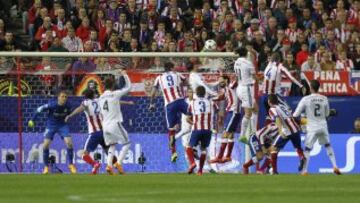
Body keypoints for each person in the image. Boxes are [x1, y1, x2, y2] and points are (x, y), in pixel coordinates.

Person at [65, 89, 134, 174]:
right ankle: (116, 166)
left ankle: (95, 164)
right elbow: (115, 102)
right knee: (108, 151)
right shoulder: (99, 100)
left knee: (84, 154)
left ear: (85, 96)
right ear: (93, 95)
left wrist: (70, 115)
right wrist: (128, 103)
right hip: (104, 132)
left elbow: (80, 108)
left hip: (94, 133)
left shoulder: (86, 102)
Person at [293, 80, 341, 175]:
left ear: (310, 88)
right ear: (319, 88)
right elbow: (327, 114)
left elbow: (295, 115)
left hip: (311, 127)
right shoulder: (324, 98)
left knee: (307, 149)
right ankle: (335, 166)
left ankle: (305, 171)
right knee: (327, 146)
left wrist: (302, 121)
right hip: (323, 126)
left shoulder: (305, 99)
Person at [28, 90, 76, 174]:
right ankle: (46, 167)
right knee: (46, 145)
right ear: (58, 97)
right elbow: (39, 109)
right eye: (62, 96)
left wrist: (68, 117)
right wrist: (32, 119)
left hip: (62, 126)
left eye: (65, 97)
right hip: (51, 125)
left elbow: (69, 113)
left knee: (69, 143)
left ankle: (71, 165)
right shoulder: (52, 105)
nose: (64, 98)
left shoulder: (68, 106)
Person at [149, 61, 188, 162]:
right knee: (196, 117)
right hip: (180, 101)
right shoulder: (177, 74)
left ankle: (173, 152)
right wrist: (184, 89)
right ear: (171, 68)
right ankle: (196, 143)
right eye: (174, 67)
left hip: (169, 105)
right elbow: (186, 82)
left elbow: (153, 92)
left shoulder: (159, 77)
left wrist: (152, 103)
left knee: (171, 130)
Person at [98, 70, 132, 174]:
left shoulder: (100, 97)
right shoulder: (115, 94)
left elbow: (100, 114)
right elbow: (129, 87)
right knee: (127, 143)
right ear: (113, 86)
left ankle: (109, 166)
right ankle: (118, 163)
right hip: (114, 123)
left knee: (112, 145)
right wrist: (125, 75)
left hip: (105, 126)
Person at [267, 94, 305, 175]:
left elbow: (277, 118)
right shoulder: (282, 106)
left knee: (273, 148)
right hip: (296, 129)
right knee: (298, 147)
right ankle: (301, 157)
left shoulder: (272, 109)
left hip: (286, 130)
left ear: (269, 101)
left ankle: (274, 171)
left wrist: (280, 131)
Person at [186, 86, 218, 176]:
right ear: (205, 93)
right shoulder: (212, 102)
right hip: (208, 129)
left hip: (197, 128)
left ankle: (192, 163)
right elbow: (217, 111)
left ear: (196, 93)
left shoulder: (192, 103)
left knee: (188, 146)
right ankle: (200, 171)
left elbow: (188, 119)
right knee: (203, 149)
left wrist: (194, 123)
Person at [210, 75, 240, 163]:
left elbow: (237, 80)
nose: (220, 83)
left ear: (226, 80)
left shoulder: (231, 85)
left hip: (233, 112)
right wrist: (212, 99)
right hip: (232, 112)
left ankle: (219, 157)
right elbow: (221, 97)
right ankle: (228, 156)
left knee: (225, 134)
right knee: (230, 135)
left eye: (221, 81)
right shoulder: (226, 89)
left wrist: (239, 70)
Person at [233, 47, 258, 140]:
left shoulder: (236, 62)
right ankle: (242, 135)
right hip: (246, 88)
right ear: (246, 53)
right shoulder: (248, 63)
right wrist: (261, 80)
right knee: (248, 114)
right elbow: (254, 76)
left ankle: (253, 132)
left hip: (240, 87)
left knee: (255, 109)